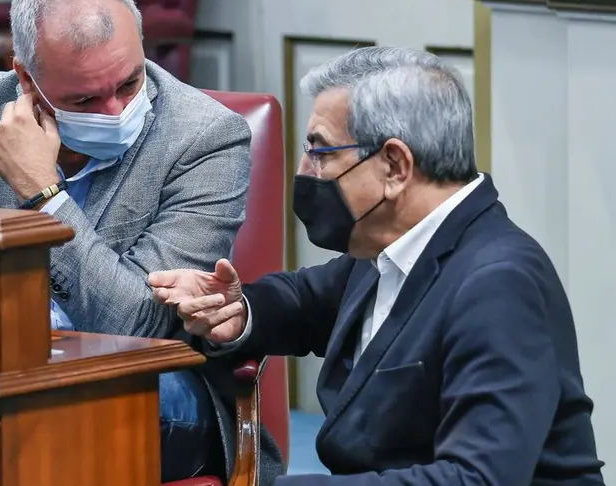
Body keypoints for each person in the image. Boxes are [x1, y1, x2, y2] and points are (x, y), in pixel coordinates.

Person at [0, 0, 283, 483]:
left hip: (147, 384)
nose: (113, 111)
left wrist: (44, 197)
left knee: (6, 417)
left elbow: (139, 329)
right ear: (25, 78)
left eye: (129, 83)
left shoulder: (205, 138)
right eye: (84, 98)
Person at [149, 46, 605, 485]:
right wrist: (237, 310)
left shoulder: (499, 284)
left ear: (394, 166)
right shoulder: (392, 248)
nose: (305, 172)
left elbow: (476, 478)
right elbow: (306, 300)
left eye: (321, 152)